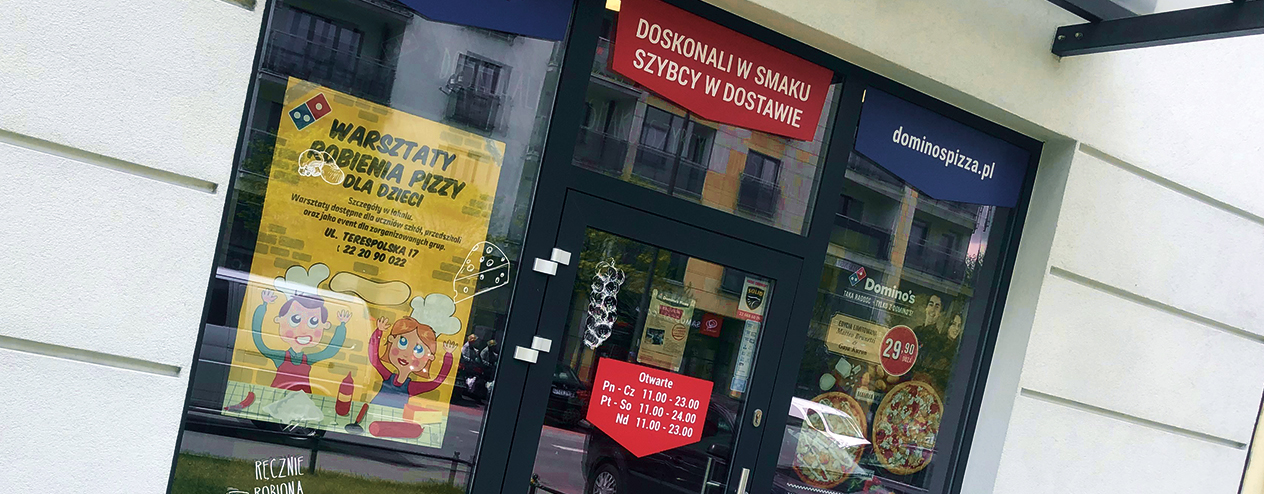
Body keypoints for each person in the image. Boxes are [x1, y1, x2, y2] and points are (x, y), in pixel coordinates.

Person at [252, 289, 350, 393]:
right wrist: (263, 307)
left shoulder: (307, 359)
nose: (303, 330)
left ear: (325, 326)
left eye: (313, 322)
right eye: (295, 320)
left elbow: (330, 351)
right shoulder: (282, 357)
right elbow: (261, 345)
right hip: (278, 397)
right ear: (279, 319)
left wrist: (342, 326)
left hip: (301, 399)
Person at [368, 316, 456, 408]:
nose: (406, 354)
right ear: (391, 339)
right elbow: (374, 359)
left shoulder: (410, 387)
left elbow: (435, 383)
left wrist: (448, 356)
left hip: (393, 415)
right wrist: (378, 332)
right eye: (402, 342)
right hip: (374, 412)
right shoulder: (390, 378)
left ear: (430, 357)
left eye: (419, 350)